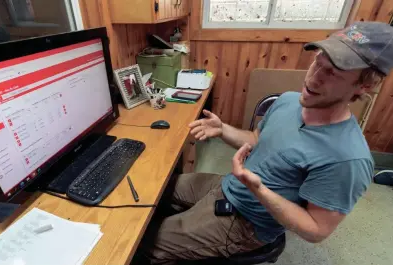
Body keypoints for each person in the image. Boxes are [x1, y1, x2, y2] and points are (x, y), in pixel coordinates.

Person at [144, 22, 393, 264]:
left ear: (365, 84)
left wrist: (259, 190)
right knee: (153, 188)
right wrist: (222, 130)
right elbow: (256, 140)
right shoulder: (288, 101)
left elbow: (316, 230)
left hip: (247, 224)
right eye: (318, 60)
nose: (313, 78)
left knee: (143, 243)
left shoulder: (347, 159)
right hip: (228, 186)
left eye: (332, 73)